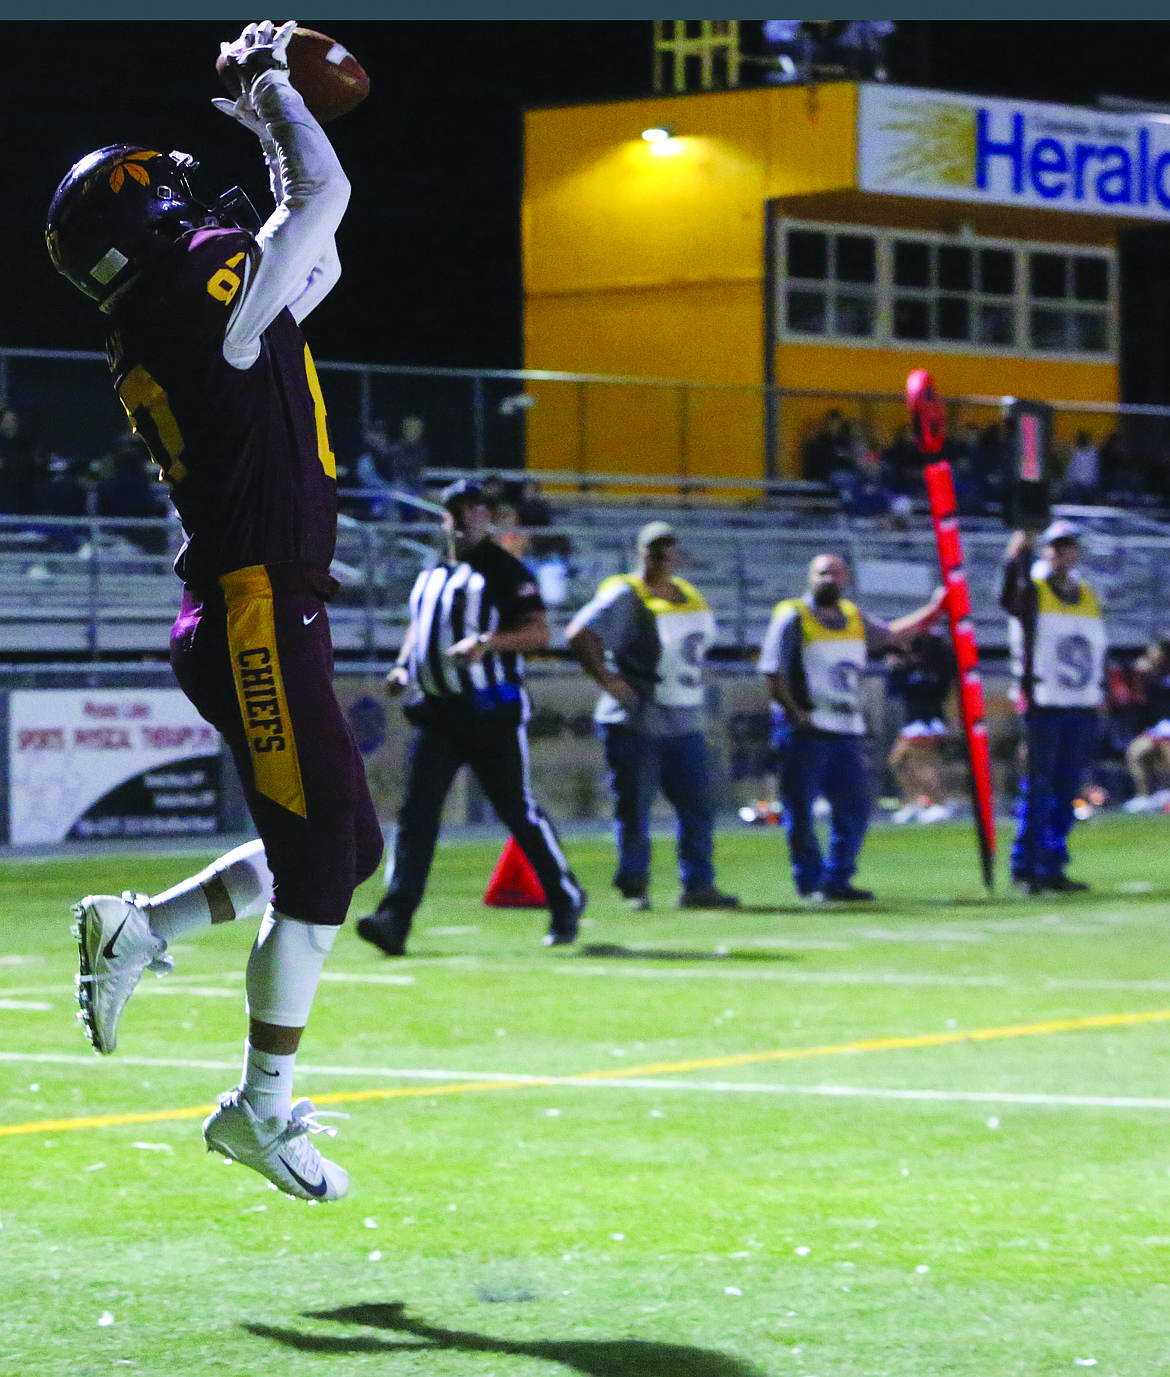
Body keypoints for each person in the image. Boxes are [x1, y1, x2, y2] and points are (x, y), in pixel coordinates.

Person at [46, 21, 383, 1201]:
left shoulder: (178, 307)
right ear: (148, 226)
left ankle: (142, 930)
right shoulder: (197, 292)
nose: (196, 205)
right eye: (173, 198)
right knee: (323, 873)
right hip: (253, 610)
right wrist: (272, 91)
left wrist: (269, 121)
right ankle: (260, 1108)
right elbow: (321, 192)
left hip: (258, 606)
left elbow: (317, 240)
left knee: (354, 849)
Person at [357, 478, 586, 956]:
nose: (464, 518)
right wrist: (403, 667)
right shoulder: (433, 570)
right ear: (445, 516)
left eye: (473, 509)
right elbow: (420, 629)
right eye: (456, 509)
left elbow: (540, 632)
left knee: (516, 812)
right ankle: (394, 918)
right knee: (417, 817)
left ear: (487, 515)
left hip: (490, 714)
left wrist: (488, 644)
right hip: (438, 714)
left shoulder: (504, 571)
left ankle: (565, 897)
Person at [565, 521, 738, 912]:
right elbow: (579, 633)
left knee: (698, 806)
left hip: (684, 717)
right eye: (655, 548)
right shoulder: (626, 593)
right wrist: (611, 683)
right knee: (635, 808)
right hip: (638, 718)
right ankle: (635, 884)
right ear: (641, 552)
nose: (663, 556)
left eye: (668, 548)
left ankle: (698, 885)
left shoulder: (688, 593)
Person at [759, 553, 945, 901]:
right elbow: (773, 670)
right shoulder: (793, 616)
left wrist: (934, 611)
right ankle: (811, 880)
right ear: (810, 577)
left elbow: (890, 635)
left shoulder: (853, 616)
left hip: (845, 728)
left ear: (847, 579)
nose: (829, 579)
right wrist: (794, 712)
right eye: (822, 573)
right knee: (800, 810)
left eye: (835, 573)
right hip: (807, 729)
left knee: (855, 807)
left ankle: (838, 877)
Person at [1002, 520, 1106, 893]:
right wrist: (1016, 556)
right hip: (1044, 704)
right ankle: (1026, 866)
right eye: (1056, 547)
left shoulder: (1089, 595)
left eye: (1068, 547)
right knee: (1039, 787)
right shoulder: (1035, 591)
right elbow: (1010, 595)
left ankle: (1051, 864)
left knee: (1067, 789)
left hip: (1080, 704)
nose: (1063, 554)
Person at [885, 628, 956, 824]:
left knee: (923, 766)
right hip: (912, 724)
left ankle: (940, 803)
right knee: (899, 762)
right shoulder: (907, 669)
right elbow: (894, 691)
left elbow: (938, 691)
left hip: (929, 723)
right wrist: (895, 669)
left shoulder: (936, 669)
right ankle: (919, 801)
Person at [1122, 633, 1170, 813]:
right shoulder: (1153, 674)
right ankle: (1143, 796)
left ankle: (1166, 792)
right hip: (1158, 729)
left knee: (1166, 753)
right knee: (1135, 752)